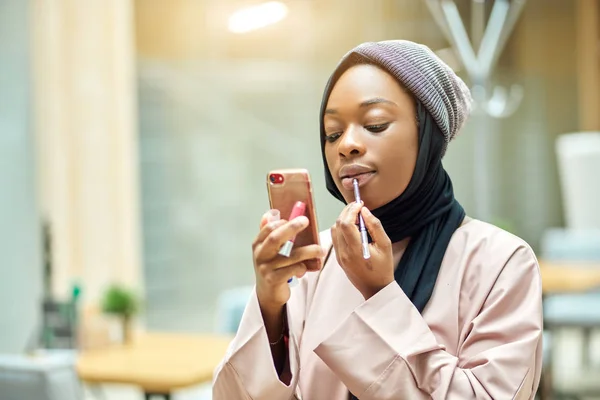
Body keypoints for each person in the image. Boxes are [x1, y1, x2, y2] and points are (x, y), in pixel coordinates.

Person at [212, 40, 543, 400]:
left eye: (375, 123)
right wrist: (270, 304)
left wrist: (381, 296)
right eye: (332, 133)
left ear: (427, 135)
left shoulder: (501, 261)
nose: (346, 145)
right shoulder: (315, 259)